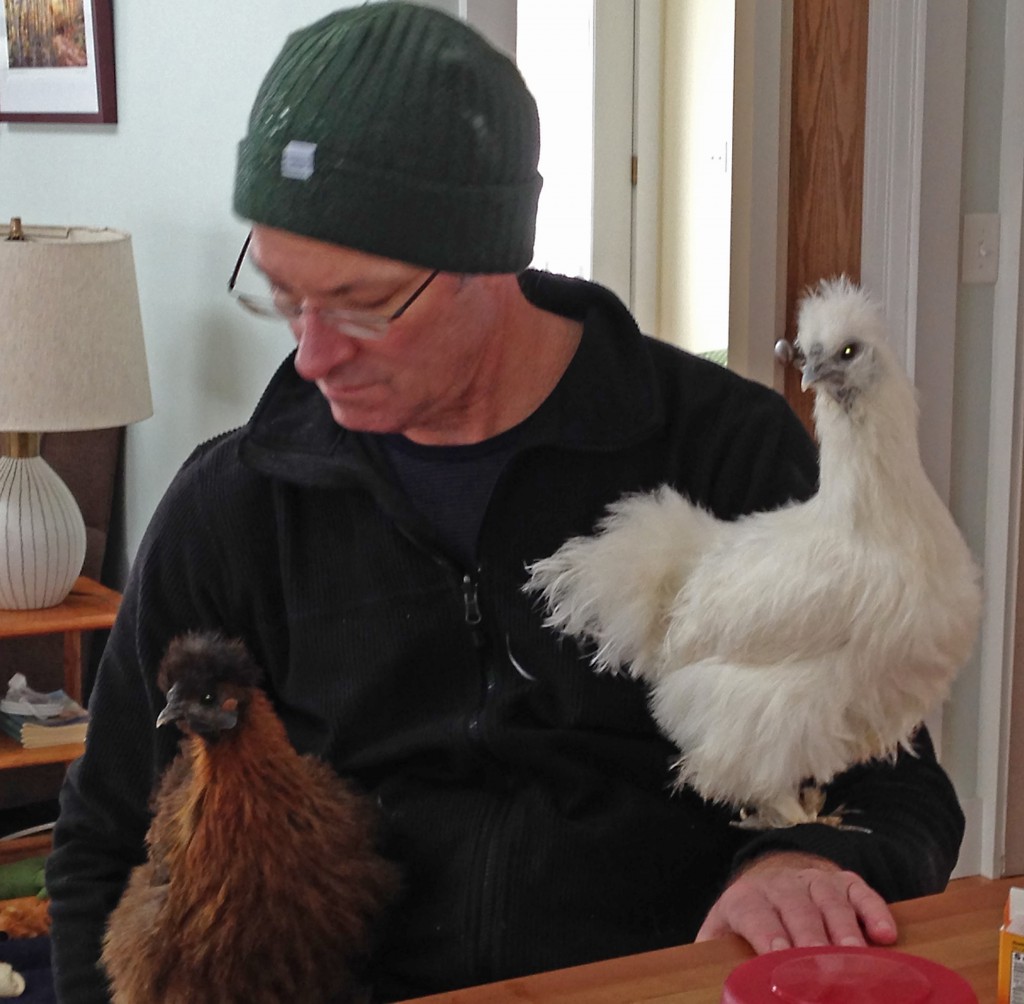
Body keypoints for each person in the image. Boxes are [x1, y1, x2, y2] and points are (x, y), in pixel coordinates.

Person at [47, 3, 965, 1001]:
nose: (309, 355)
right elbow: (100, 845)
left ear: (489, 259)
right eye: (279, 293)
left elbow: (896, 782)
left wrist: (793, 860)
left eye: (360, 303)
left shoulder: (725, 454)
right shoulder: (232, 507)